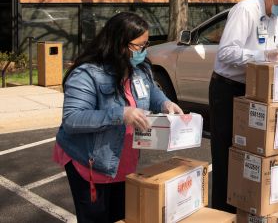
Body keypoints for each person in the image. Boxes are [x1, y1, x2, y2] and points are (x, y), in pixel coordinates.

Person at [53, 12, 182, 222]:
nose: (143, 51)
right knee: (97, 217)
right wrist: (120, 114)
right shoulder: (86, 74)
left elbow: (150, 91)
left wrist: (164, 102)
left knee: (120, 216)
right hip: (90, 162)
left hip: (124, 160)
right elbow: (73, 119)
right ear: (118, 44)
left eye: (146, 44)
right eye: (138, 46)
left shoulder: (139, 69)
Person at [210, 0, 278, 212]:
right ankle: (223, 211)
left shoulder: (275, 17)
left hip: (254, 91)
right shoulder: (246, 10)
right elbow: (226, 52)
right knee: (226, 154)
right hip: (228, 88)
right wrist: (264, 55)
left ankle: (244, 205)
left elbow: (267, 49)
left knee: (249, 153)